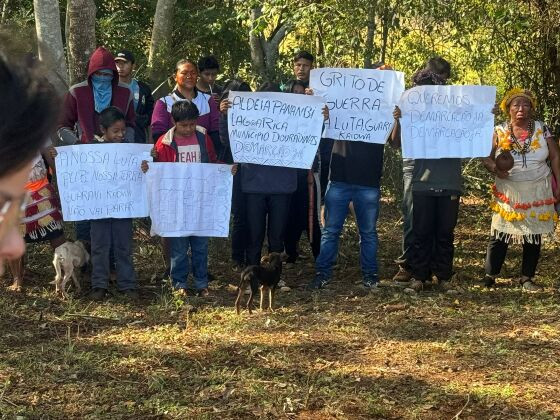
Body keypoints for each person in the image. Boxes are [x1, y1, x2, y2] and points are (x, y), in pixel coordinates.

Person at [309, 65, 400, 290]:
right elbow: (313, 122)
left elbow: (395, 143)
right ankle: (322, 274)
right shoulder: (339, 105)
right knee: (331, 231)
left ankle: (370, 276)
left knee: (368, 233)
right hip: (339, 178)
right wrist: (314, 102)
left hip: (368, 182)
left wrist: (396, 119)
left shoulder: (385, 109)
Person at [143, 101, 234, 296]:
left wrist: (226, 170)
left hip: (200, 202)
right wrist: (148, 167)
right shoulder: (164, 143)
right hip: (176, 205)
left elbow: (211, 162)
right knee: (178, 248)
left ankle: (202, 283)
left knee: (200, 246)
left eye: (192, 124)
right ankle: (179, 284)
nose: (188, 129)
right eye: (184, 125)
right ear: (174, 122)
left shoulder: (203, 137)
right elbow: (159, 171)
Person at [54, 107, 138, 300]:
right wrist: (60, 157)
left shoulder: (129, 149)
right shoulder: (90, 149)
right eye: (115, 131)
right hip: (98, 208)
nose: (120, 135)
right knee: (99, 246)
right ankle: (99, 284)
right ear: (103, 129)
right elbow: (75, 166)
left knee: (123, 246)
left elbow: (138, 172)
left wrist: (143, 165)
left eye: (123, 131)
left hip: (123, 207)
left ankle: (128, 284)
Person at [481, 88, 560, 291]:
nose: (521, 109)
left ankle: (527, 278)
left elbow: (555, 156)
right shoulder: (498, 131)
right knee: (500, 231)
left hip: (538, 188)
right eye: (516, 105)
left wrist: (559, 183)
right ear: (508, 108)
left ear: (531, 108)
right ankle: (490, 275)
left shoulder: (542, 129)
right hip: (508, 190)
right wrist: (495, 169)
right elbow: (486, 157)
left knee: (533, 234)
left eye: (526, 105)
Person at [59, 46, 136, 246]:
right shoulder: (77, 92)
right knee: (86, 210)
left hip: (116, 163)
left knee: (114, 211)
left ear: (113, 75)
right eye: (99, 74)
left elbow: (132, 125)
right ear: (91, 73)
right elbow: (62, 126)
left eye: (108, 75)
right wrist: (78, 144)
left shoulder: (125, 93)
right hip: (86, 162)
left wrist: (126, 144)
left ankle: (110, 263)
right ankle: (85, 262)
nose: (103, 78)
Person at [150, 59, 221, 276]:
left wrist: (216, 167)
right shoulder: (164, 102)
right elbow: (158, 133)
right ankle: (172, 269)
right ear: (175, 76)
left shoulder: (209, 100)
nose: (189, 76)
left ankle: (200, 274)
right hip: (174, 170)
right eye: (184, 73)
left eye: (193, 73)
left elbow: (216, 129)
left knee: (199, 227)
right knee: (173, 225)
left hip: (201, 168)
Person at [0, 51, 60, 283]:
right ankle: (17, 279)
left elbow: (47, 150)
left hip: (39, 185)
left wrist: (56, 164)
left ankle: (67, 271)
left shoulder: (34, 119)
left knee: (54, 229)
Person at [392, 57, 451, 284]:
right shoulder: (408, 99)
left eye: (441, 80)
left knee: (438, 219)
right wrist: (398, 120)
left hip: (440, 166)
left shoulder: (450, 102)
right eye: (433, 78)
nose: (435, 85)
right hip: (414, 164)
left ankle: (434, 266)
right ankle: (409, 264)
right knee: (413, 215)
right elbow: (395, 142)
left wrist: (486, 112)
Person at [8, 144, 66, 291]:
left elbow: (48, 151)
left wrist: (62, 170)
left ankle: (66, 274)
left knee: (56, 233)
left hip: (41, 189)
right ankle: (17, 278)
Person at [282, 80, 322, 265]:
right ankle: (290, 252)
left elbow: (322, 131)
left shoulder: (312, 114)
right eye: (294, 92)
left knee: (311, 215)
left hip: (308, 173)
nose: (298, 96)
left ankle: (318, 254)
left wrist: (320, 111)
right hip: (288, 173)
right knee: (290, 214)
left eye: (301, 93)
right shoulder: (280, 115)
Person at [218, 79, 252, 270]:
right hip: (235, 170)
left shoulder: (257, 112)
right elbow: (224, 140)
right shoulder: (224, 114)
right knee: (240, 214)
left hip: (254, 170)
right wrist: (223, 115)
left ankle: (252, 255)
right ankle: (237, 257)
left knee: (253, 215)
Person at [293, 51, 334, 201]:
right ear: (293, 67)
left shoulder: (321, 90)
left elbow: (327, 117)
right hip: (292, 151)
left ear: (312, 68)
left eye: (305, 65)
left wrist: (315, 101)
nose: (301, 69)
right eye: (298, 65)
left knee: (315, 196)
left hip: (317, 152)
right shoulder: (286, 87)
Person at [114, 49, 155, 143]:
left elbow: (150, 116)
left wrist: (150, 140)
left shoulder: (143, 88)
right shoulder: (108, 88)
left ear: (133, 66)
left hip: (138, 139)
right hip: (114, 141)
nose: (120, 66)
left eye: (125, 63)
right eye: (117, 63)